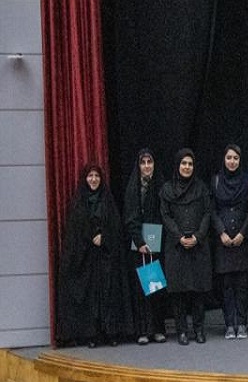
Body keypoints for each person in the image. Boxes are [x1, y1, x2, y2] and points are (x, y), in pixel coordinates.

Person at [57, 165, 135, 347]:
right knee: (90, 298)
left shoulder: (108, 201)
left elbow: (116, 228)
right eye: (90, 176)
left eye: (97, 176)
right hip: (87, 260)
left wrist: (104, 237)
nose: (93, 179)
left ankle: (111, 332)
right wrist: (90, 238)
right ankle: (91, 334)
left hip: (107, 259)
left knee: (109, 295)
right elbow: (74, 233)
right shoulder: (78, 203)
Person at [159, 149, 213, 345]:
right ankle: (181, 330)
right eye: (184, 163)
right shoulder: (167, 189)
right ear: (177, 165)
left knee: (198, 290)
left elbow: (207, 213)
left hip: (198, 245)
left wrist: (197, 236)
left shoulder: (201, 188)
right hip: (176, 246)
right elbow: (165, 216)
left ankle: (199, 329)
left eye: (190, 164)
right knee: (178, 291)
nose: (187, 167)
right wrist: (179, 236)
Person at [123, 149, 168, 344]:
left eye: (150, 162)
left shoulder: (160, 185)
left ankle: (157, 328)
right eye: (143, 162)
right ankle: (142, 330)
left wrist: (156, 239)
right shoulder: (133, 188)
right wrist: (139, 242)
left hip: (156, 241)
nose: (147, 166)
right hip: (139, 245)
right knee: (141, 288)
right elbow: (130, 218)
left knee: (156, 286)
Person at [213, 144, 248, 340]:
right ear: (224, 159)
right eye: (229, 158)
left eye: (236, 158)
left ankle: (243, 323)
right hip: (223, 239)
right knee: (226, 285)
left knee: (243, 285)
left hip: (242, 239)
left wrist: (243, 233)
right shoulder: (215, 180)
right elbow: (212, 209)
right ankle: (230, 324)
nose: (232, 162)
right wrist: (221, 232)